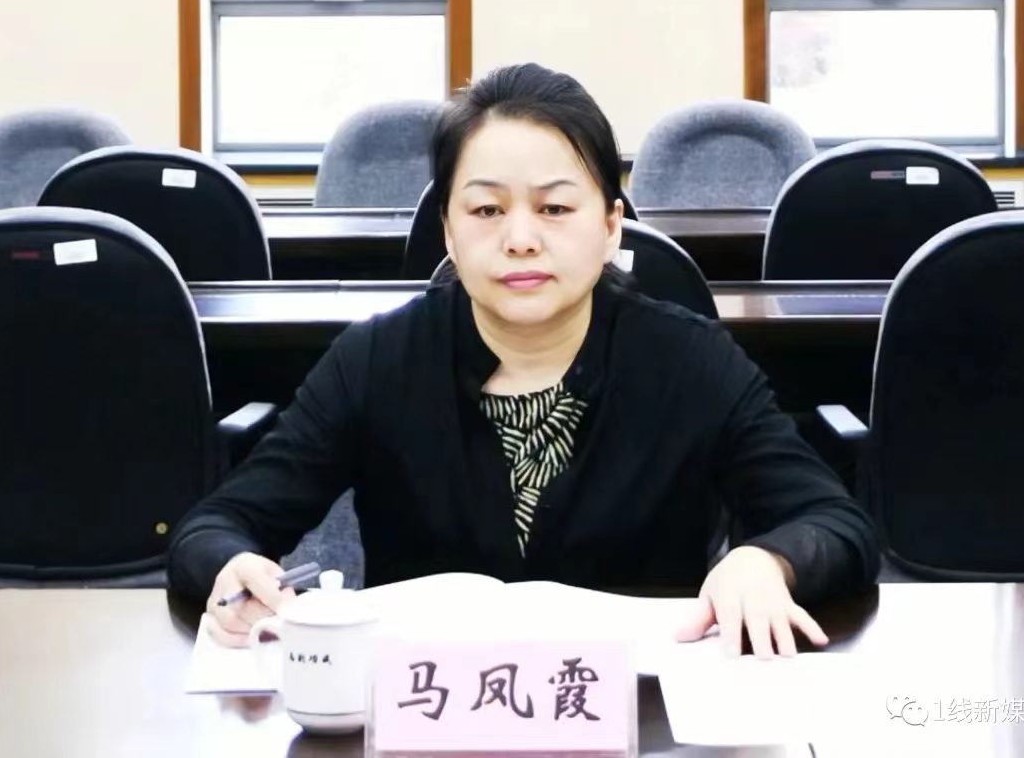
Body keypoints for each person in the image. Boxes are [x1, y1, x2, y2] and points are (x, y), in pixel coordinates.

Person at [167, 63, 879, 658]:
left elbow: (837, 526)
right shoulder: (377, 359)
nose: (520, 239)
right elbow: (214, 526)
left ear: (611, 226)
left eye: (555, 209)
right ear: (448, 229)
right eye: (485, 210)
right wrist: (232, 565)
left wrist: (766, 559)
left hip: (641, 719)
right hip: (428, 719)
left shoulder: (688, 360)